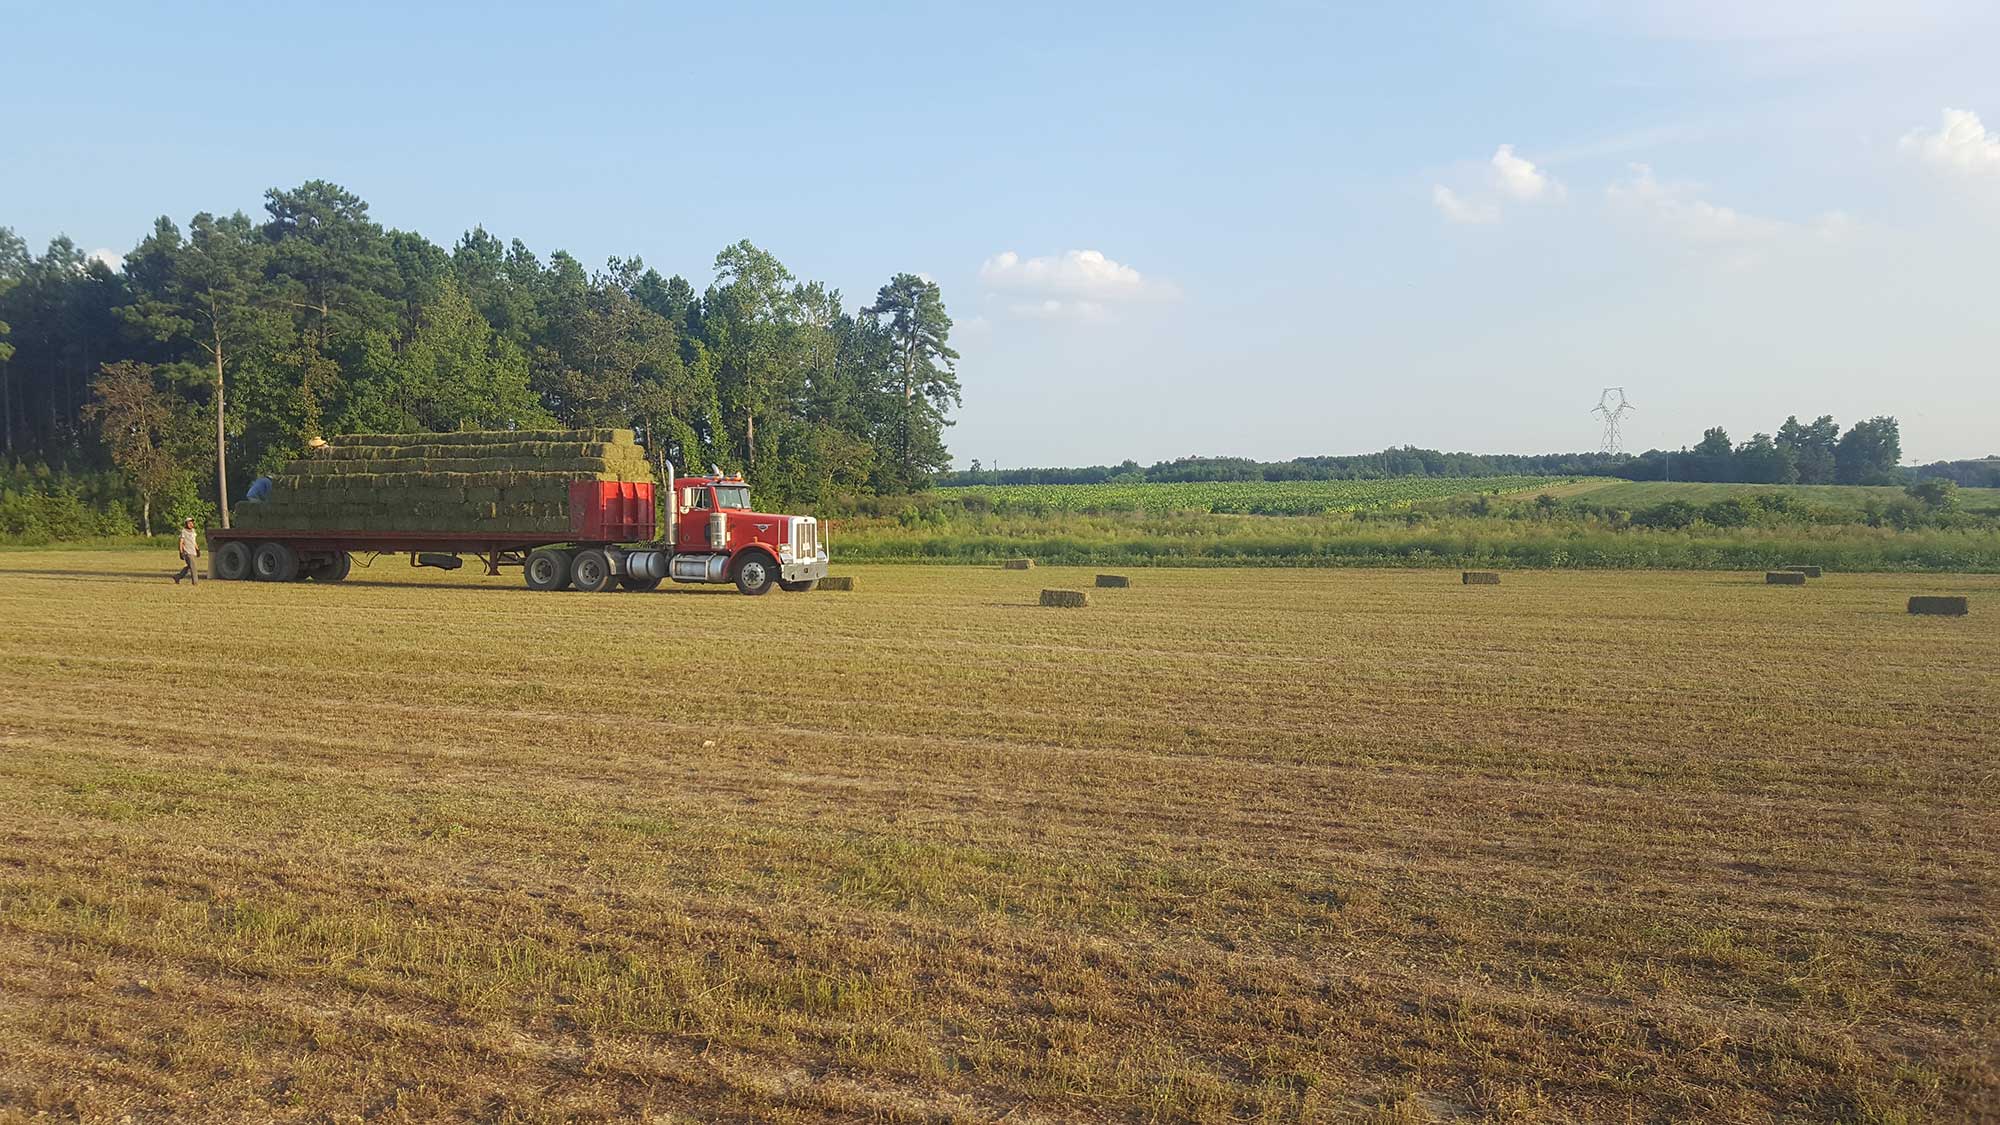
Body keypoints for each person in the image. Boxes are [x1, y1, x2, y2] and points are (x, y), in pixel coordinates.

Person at [174, 518, 201, 585]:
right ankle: (195, 582)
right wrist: (181, 552)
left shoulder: (193, 531)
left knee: (189, 566)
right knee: (193, 567)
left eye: (192, 523)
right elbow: (181, 542)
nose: (191, 524)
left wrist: (197, 550)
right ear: (186, 524)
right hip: (187, 552)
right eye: (189, 523)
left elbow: (194, 542)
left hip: (193, 551)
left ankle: (177, 577)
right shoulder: (183, 532)